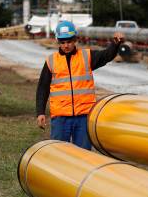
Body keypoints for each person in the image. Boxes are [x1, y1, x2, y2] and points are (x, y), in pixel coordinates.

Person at [36, 20, 124, 149]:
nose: (66, 45)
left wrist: (115, 44)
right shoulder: (51, 61)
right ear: (58, 42)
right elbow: (43, 88)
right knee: (59, 153)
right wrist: (40, 112)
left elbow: (106, 55)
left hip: (83, 117)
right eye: (62, 42)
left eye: (69, 41)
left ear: (75, 40)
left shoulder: (86, 56)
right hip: (60, 118)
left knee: (83, 155)